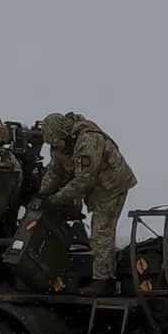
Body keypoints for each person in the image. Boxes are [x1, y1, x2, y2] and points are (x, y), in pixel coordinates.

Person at [39, 112, 137, 296]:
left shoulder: (89, 140)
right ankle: (104, 271)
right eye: (51, 143)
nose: (55, 146)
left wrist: (57, 199)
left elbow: (84, 179)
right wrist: (41, 194)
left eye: (56, 141)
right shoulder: (61, 144)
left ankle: (103, 281)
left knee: (101, 232)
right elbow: (55, 171)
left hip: (112, 186)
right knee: (98, 234)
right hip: (97, 188)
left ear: (63, 132)